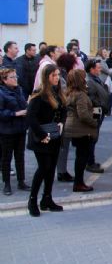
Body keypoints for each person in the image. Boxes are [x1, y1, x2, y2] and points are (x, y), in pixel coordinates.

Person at [26, 64, 66, 217]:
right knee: (43, 168)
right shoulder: (39, 94)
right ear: (46, 77)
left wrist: (61, 122)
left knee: (51, 170)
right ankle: (32, 200)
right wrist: (42, 135)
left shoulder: (58, 92)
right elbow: (31, 117)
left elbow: (63, 110)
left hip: (54, 136)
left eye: (57, 75)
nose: (57, 78)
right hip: (41, 138)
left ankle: (47, 199)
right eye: (54, 75)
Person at [63, 69, 98, 193]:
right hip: (80, 129)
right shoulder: (81, 95)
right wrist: (94, 123)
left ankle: (79, 182)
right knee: (82, 156)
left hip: (73, 127)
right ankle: (79, 183)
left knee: (80, 155)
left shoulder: (69, 92)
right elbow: (83, 114)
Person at [0, 68, 29, 195]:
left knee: (20, 156)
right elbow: (1, 113)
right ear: (4, 80)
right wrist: (15, 114)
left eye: (15, 76)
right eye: (12, 77)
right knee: (6, 158)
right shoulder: (1, 93)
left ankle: (21, 181)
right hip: (7, 131)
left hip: (20, 128)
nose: (15, 79)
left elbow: (23, 105)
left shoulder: (19, 90)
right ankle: (6, 183)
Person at [85, 59, 109, 173]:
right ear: (91, 69)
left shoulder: (95, 79)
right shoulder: (90, 81)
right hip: (95, 113)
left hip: (100, 111)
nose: (100, 69)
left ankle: (91, 161)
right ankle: (90, 162)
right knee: (92, 139)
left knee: (94, 138)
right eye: (98, 68)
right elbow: (91, 98)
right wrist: (100, 104)